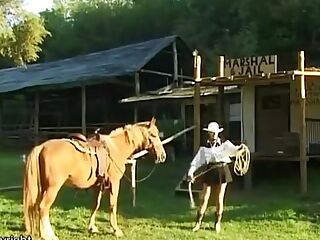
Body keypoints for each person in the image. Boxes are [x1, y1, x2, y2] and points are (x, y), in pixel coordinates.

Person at [187, 121, 241, 233]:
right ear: (209, 134)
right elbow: (196, 162)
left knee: (219, 198)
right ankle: (198, 223)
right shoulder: (204, 148)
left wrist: (240, 149)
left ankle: (217, 223)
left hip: (222, 171)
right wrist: (191, 172)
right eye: (211, 133)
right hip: (210, 171)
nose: (213, 135)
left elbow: (235, 151)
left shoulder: (225, 144)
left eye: (215, 133)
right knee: (204, 198)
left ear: (217, 133)